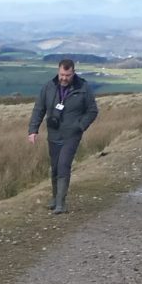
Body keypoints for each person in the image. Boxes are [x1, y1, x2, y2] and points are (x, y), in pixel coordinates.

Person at [26, 56, 99, 212]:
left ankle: (60, 203)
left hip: (72, 135)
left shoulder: (83, 88)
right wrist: (33, 130)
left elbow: (92, 111)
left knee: (63, 165)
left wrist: (80, 126)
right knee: (55, 168)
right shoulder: (48, 87)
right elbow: (39, 109)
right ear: (58, 72)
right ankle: (54, 198)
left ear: (73, 73)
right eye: (62, 75)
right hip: (53, 134)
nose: (64, 78)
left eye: (67, 75)